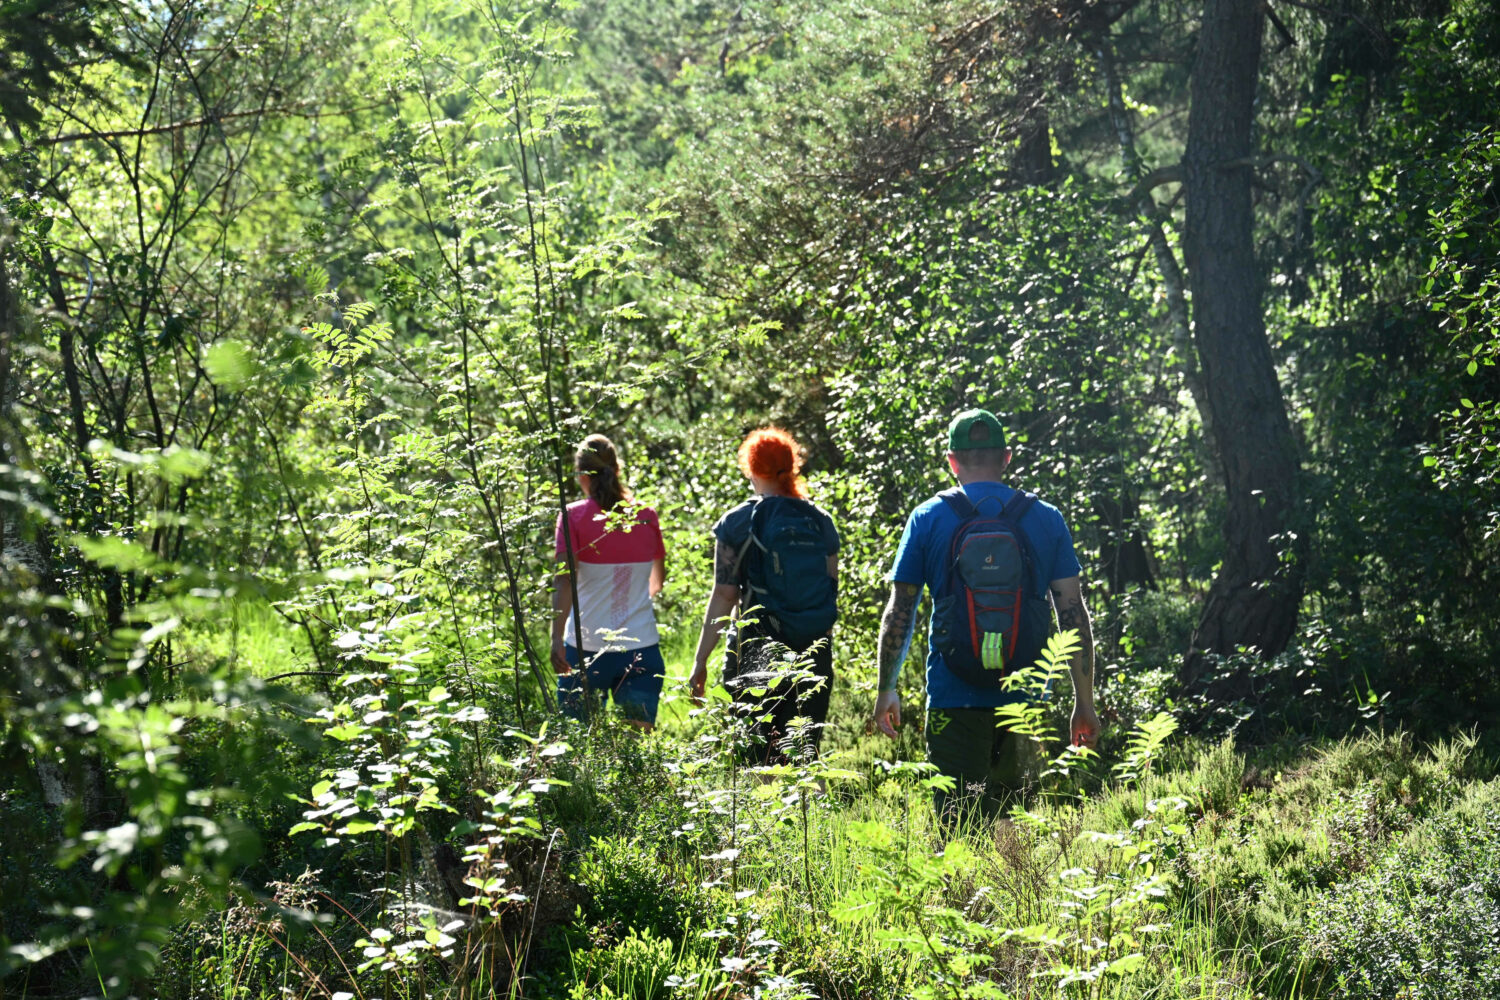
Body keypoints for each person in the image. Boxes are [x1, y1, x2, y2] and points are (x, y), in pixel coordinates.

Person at [870, 408, 1100, 826]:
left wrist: (887, 688)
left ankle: (961, 893)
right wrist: (1084, 702)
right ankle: (1014, 891)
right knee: (1015, 827)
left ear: (952, 461)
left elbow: (900, 609)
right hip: (1026, 696)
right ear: (1007, 458)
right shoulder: (1045, 518)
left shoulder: (928, 517)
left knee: (957, 828)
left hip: (952, 697)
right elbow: (1072, 612)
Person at [688, 427, 840, 765]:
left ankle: (764, 817)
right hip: (814, 651)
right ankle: (808, 816)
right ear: (792, 466)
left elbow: (725, 594)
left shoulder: (738, 523)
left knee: (758, 757)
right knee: (803, 753)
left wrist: (700, 662)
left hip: (756, 650)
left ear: (751, 468)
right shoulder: (819, 521)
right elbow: (831, 589)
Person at [551, 434, 667, 729]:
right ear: (616, 469)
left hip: (585, 647)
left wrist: (555, 640)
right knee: (636, 754)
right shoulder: (645, 516)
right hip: (641, 648)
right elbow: (656, 583)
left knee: (577, 745)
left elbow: (565, 582)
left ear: (580, 474)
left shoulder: (572, 516)